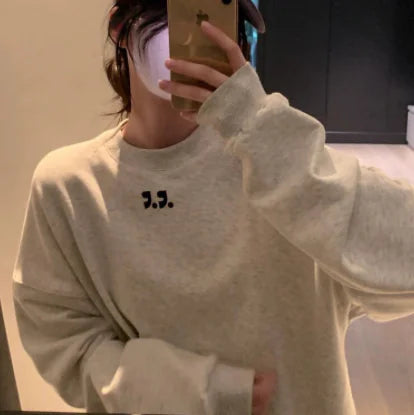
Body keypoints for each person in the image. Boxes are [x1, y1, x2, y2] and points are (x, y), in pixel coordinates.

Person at [11, 1, 414, 414]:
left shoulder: (284, 167)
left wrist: (257, 126)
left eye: (217, 12)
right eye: (169, 7)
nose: (195, 31)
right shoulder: (70, 187)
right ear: (120, 27)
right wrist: (202, 390)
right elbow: (64, 340)